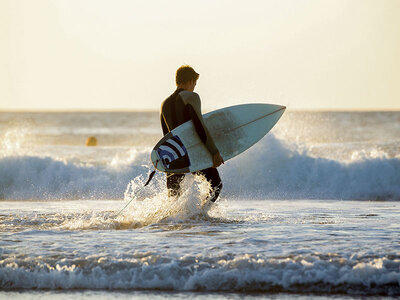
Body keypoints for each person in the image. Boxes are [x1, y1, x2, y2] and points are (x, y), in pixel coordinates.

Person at [160, 65, 224, 203]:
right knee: (216, 184)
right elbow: (200, 126)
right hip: (193, 151)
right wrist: (213, 152)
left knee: (173, 197)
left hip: (174, 155)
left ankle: (173, 221)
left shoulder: (164, 104)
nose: (194, 86)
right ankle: (200, 215)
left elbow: (166, 136)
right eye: (195, 83)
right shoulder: (191, 97)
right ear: (190, 80)